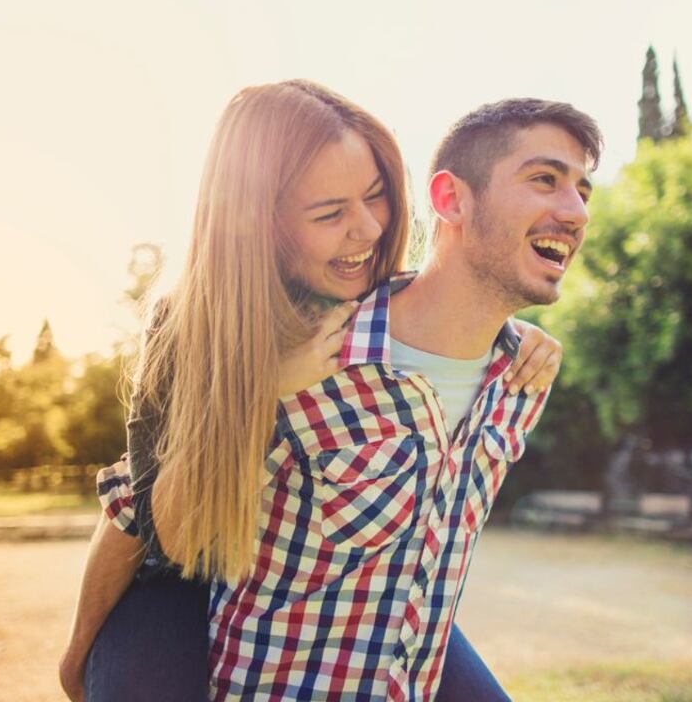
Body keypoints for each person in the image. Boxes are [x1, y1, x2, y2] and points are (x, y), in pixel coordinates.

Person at [59, 81, 577, 701]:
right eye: (329, 213)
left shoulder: (363, 296)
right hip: (177, 573)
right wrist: (79, 652)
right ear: (263, 224)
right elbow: (138, 514)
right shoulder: (193, 324)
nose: (366, 229)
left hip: (324, 588)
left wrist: (510, 326)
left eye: (376, 196)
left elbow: (447, 300)